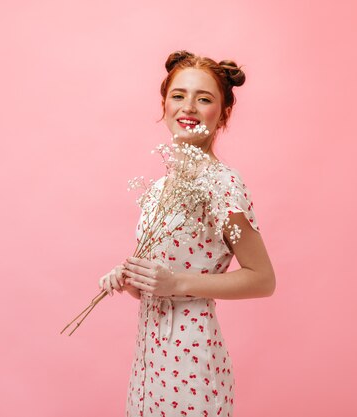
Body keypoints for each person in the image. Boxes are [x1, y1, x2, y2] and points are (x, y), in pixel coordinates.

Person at [98, 50, 275, 417]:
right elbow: (162, 279)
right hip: (149, 358)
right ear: (164, 105)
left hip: (191, 360)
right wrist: (133, 280)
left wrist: (176, 283)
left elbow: (262, 279)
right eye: (178, 95)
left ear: (223, 113)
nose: (188, 107)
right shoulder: (161, 186)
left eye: (204, 98)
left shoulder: (222, 184)